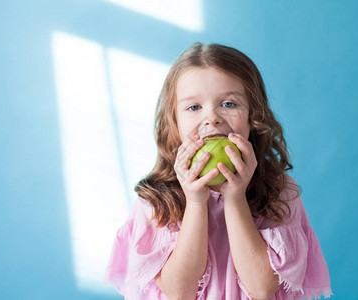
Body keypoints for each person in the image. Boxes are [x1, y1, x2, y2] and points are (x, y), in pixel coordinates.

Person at [105, 42, 332, 300]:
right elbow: (179, 292)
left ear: (252, 116)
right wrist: (195, 201)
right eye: (194, 107)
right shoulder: (156, 200)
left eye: (228, 104)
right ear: (175, 121)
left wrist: (235, 198)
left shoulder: (279, 192)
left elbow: (262, 289)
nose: (211, 118)